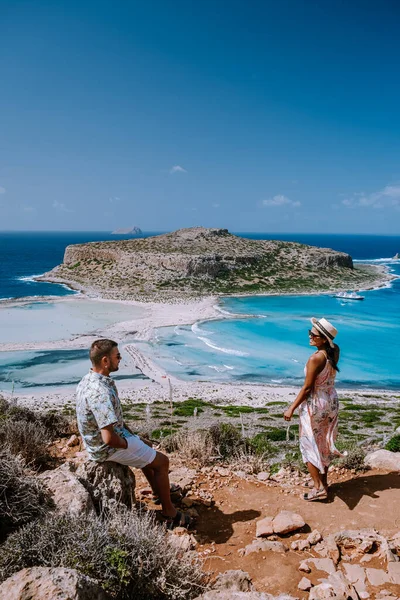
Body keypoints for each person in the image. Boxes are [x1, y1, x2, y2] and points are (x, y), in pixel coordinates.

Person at [76, 338, 191, 528]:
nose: (120, 359)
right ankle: (169, 513)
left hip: (101, 441)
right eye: (117, 356)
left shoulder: (89, 380)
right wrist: (129, 443)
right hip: (105, 448)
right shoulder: (99, 392)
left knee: (145, 447)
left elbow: (112, 422)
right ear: (105, 361)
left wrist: (134, 438)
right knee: (163, 462)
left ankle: (157, 493)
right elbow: (109, 438)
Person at [284, 318, 343, 501]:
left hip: (315, 403)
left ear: (324, 339)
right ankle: (323, 483)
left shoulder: (315, 358)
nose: (309, 336)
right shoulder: (334, 351)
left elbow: (308, 388)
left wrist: (291, 408)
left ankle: (318, 488)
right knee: (323, 443)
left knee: (308, 444)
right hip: (330, 401)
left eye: (313, 335)